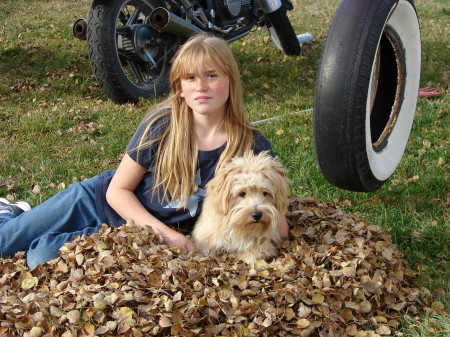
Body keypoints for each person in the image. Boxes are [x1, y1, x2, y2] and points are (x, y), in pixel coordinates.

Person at [0, 33, 288, 269]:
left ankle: (43, 235)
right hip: (96, 202)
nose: (201, 86)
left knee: (40, 257)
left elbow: (276, 217)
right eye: (190, 78)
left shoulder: (252, 146)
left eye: (212, 75)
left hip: (133, 232)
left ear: (230, 80)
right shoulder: (161, 125)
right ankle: (10, 213)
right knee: (3, 242)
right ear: (179, 88)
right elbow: (117, 191)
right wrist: (166, 235)